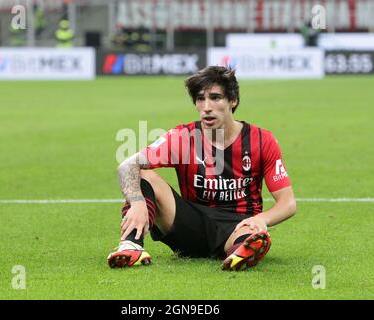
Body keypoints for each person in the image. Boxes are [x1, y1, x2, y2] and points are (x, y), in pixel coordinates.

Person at [107, 66, 296, 271]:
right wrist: (137, 203)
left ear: (233, 101)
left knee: (251, 233)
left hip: (239, 224)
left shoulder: (262, 140)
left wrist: (262, 219)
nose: (206, 107)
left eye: (215, 98)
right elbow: (126, 166)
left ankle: (243, 248)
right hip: (190, 227)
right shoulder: (182, 137)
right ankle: (131, 245)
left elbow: (288, 203)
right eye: (200, 99)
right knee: (143, 173)